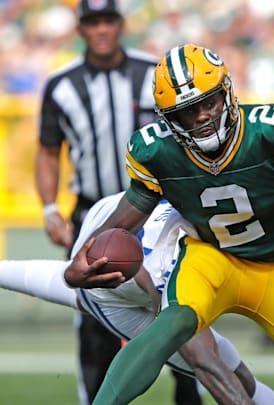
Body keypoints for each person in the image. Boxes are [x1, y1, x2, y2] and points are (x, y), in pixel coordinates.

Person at [66, 43, 274, 405]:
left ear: (226, 92)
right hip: (211, 259)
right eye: (186, 112)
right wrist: (79, 264)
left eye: (208, 103)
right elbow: (123, 219)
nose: (200, 117)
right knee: (173, 324)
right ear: (169, 118)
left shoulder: (272, 131)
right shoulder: (156, 150)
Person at [33, 1, 202, 403]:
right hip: (94, 214)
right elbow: (47, 150)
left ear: (121, 24)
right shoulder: (62, 85)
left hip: (158, 212)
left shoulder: (153, 75)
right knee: (94, 318)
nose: (103, 30)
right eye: (94, 22)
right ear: (81, 29)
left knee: (178, 309)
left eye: (108, 20)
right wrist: (49, 207)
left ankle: (190, 396)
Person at [0, 193, 274, 405]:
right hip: (115, 290)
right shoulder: (157, 274)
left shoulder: (211, 207)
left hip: (124, 251)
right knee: (225, 370)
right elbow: (206, 363)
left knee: (239, 375)